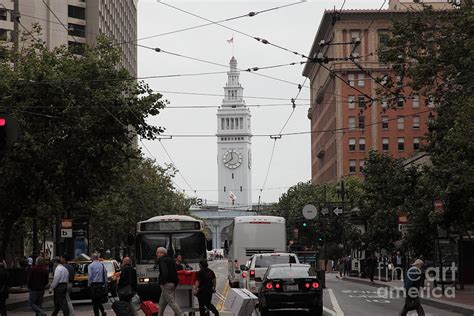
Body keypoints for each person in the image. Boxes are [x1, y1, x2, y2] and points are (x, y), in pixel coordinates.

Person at [155, 247, 184, 316]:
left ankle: (181, 314)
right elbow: (175, 272)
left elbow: (164, 272)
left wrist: (161, 281)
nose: (156, 254)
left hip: (166, 284)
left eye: (157, 252)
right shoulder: (171, 260)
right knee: (162, 303)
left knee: (171, 302)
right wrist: (175, 283)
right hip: (173, 283)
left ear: (162, 253)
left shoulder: (162, 260)